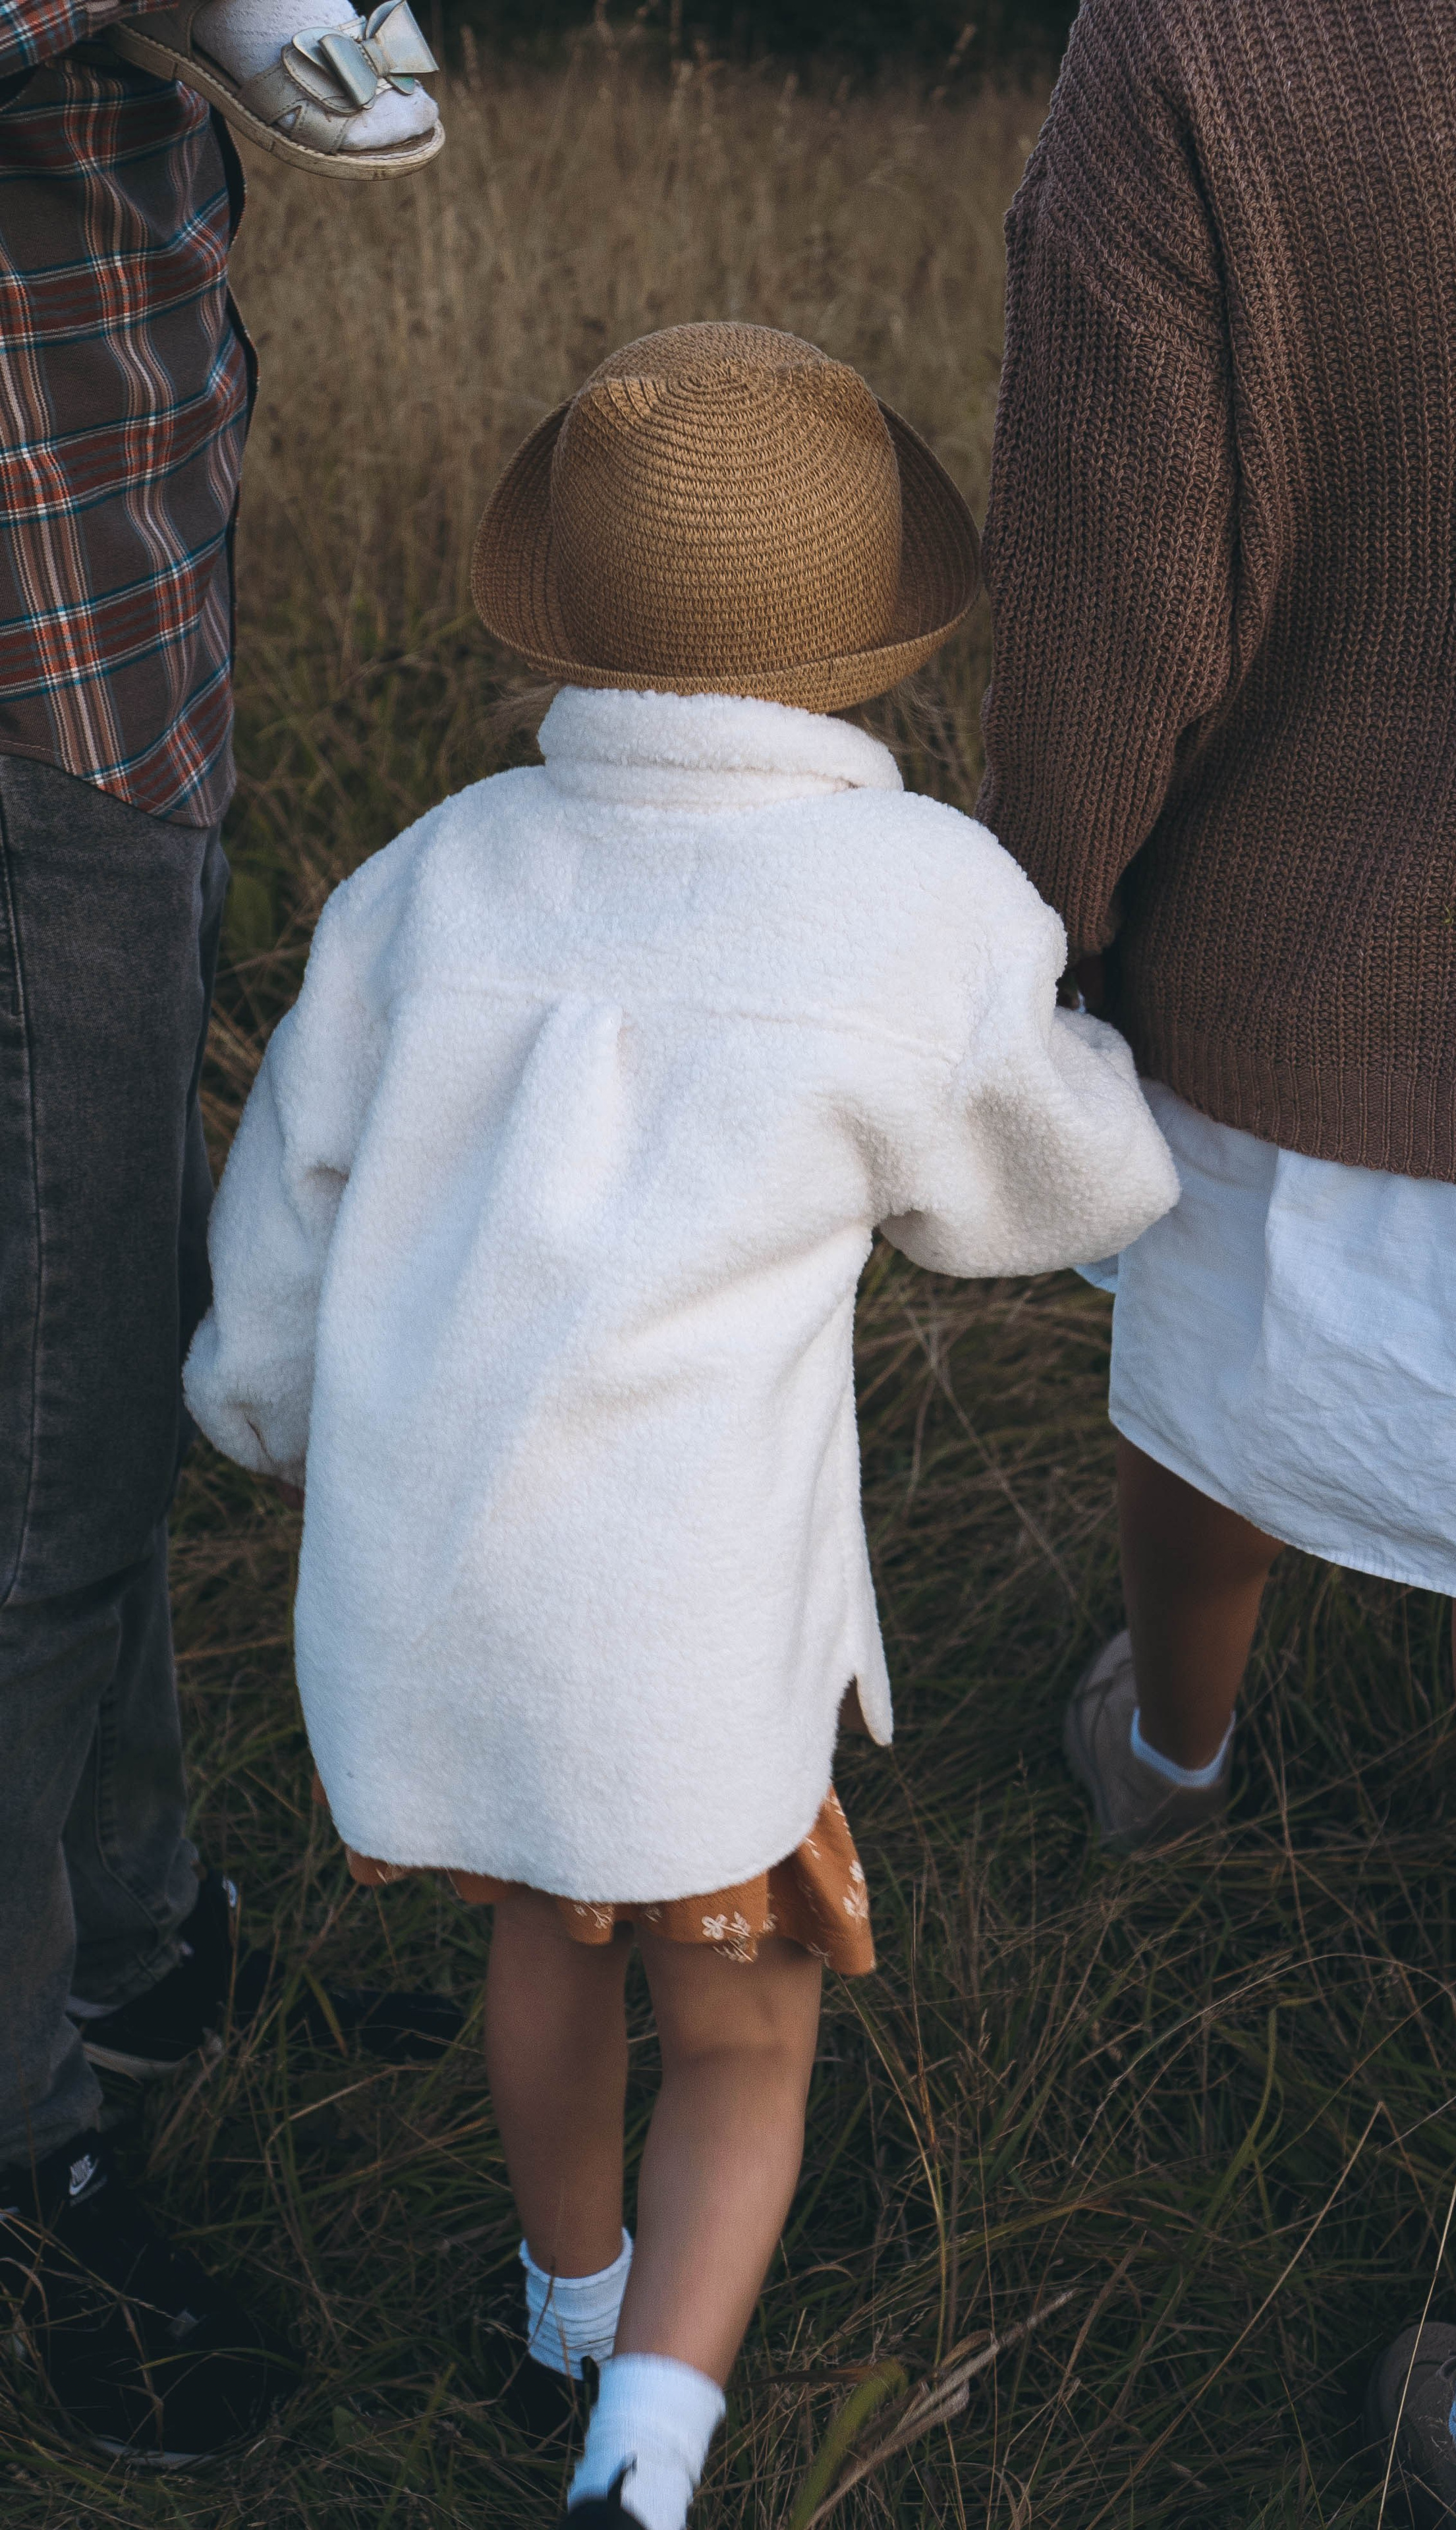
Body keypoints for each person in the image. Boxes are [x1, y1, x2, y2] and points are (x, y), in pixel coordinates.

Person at [181, 320, 1180, 2530]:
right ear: (873, 640)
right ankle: (650, 2445)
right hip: (688, 1625)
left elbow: (296, 1213)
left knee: (540, 1935)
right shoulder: (916, 902)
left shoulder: (431, 879)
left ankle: (566, 2303)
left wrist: (262, 1417)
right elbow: (1058, 1192)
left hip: (444, 1578)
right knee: (738, 2021)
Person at [979, 1, 1456, 2521]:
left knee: (1203, 1392)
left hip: (1304, 975)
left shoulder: (1201, 47)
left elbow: (1102, 604)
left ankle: (1168, 1759)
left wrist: (1033, 957)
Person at [0, 0, 441, 2469]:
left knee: (102, 1383)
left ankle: (146, 1960)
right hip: (26, 673)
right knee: (35, 1483)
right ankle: (30, 2124)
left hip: (115, 634)